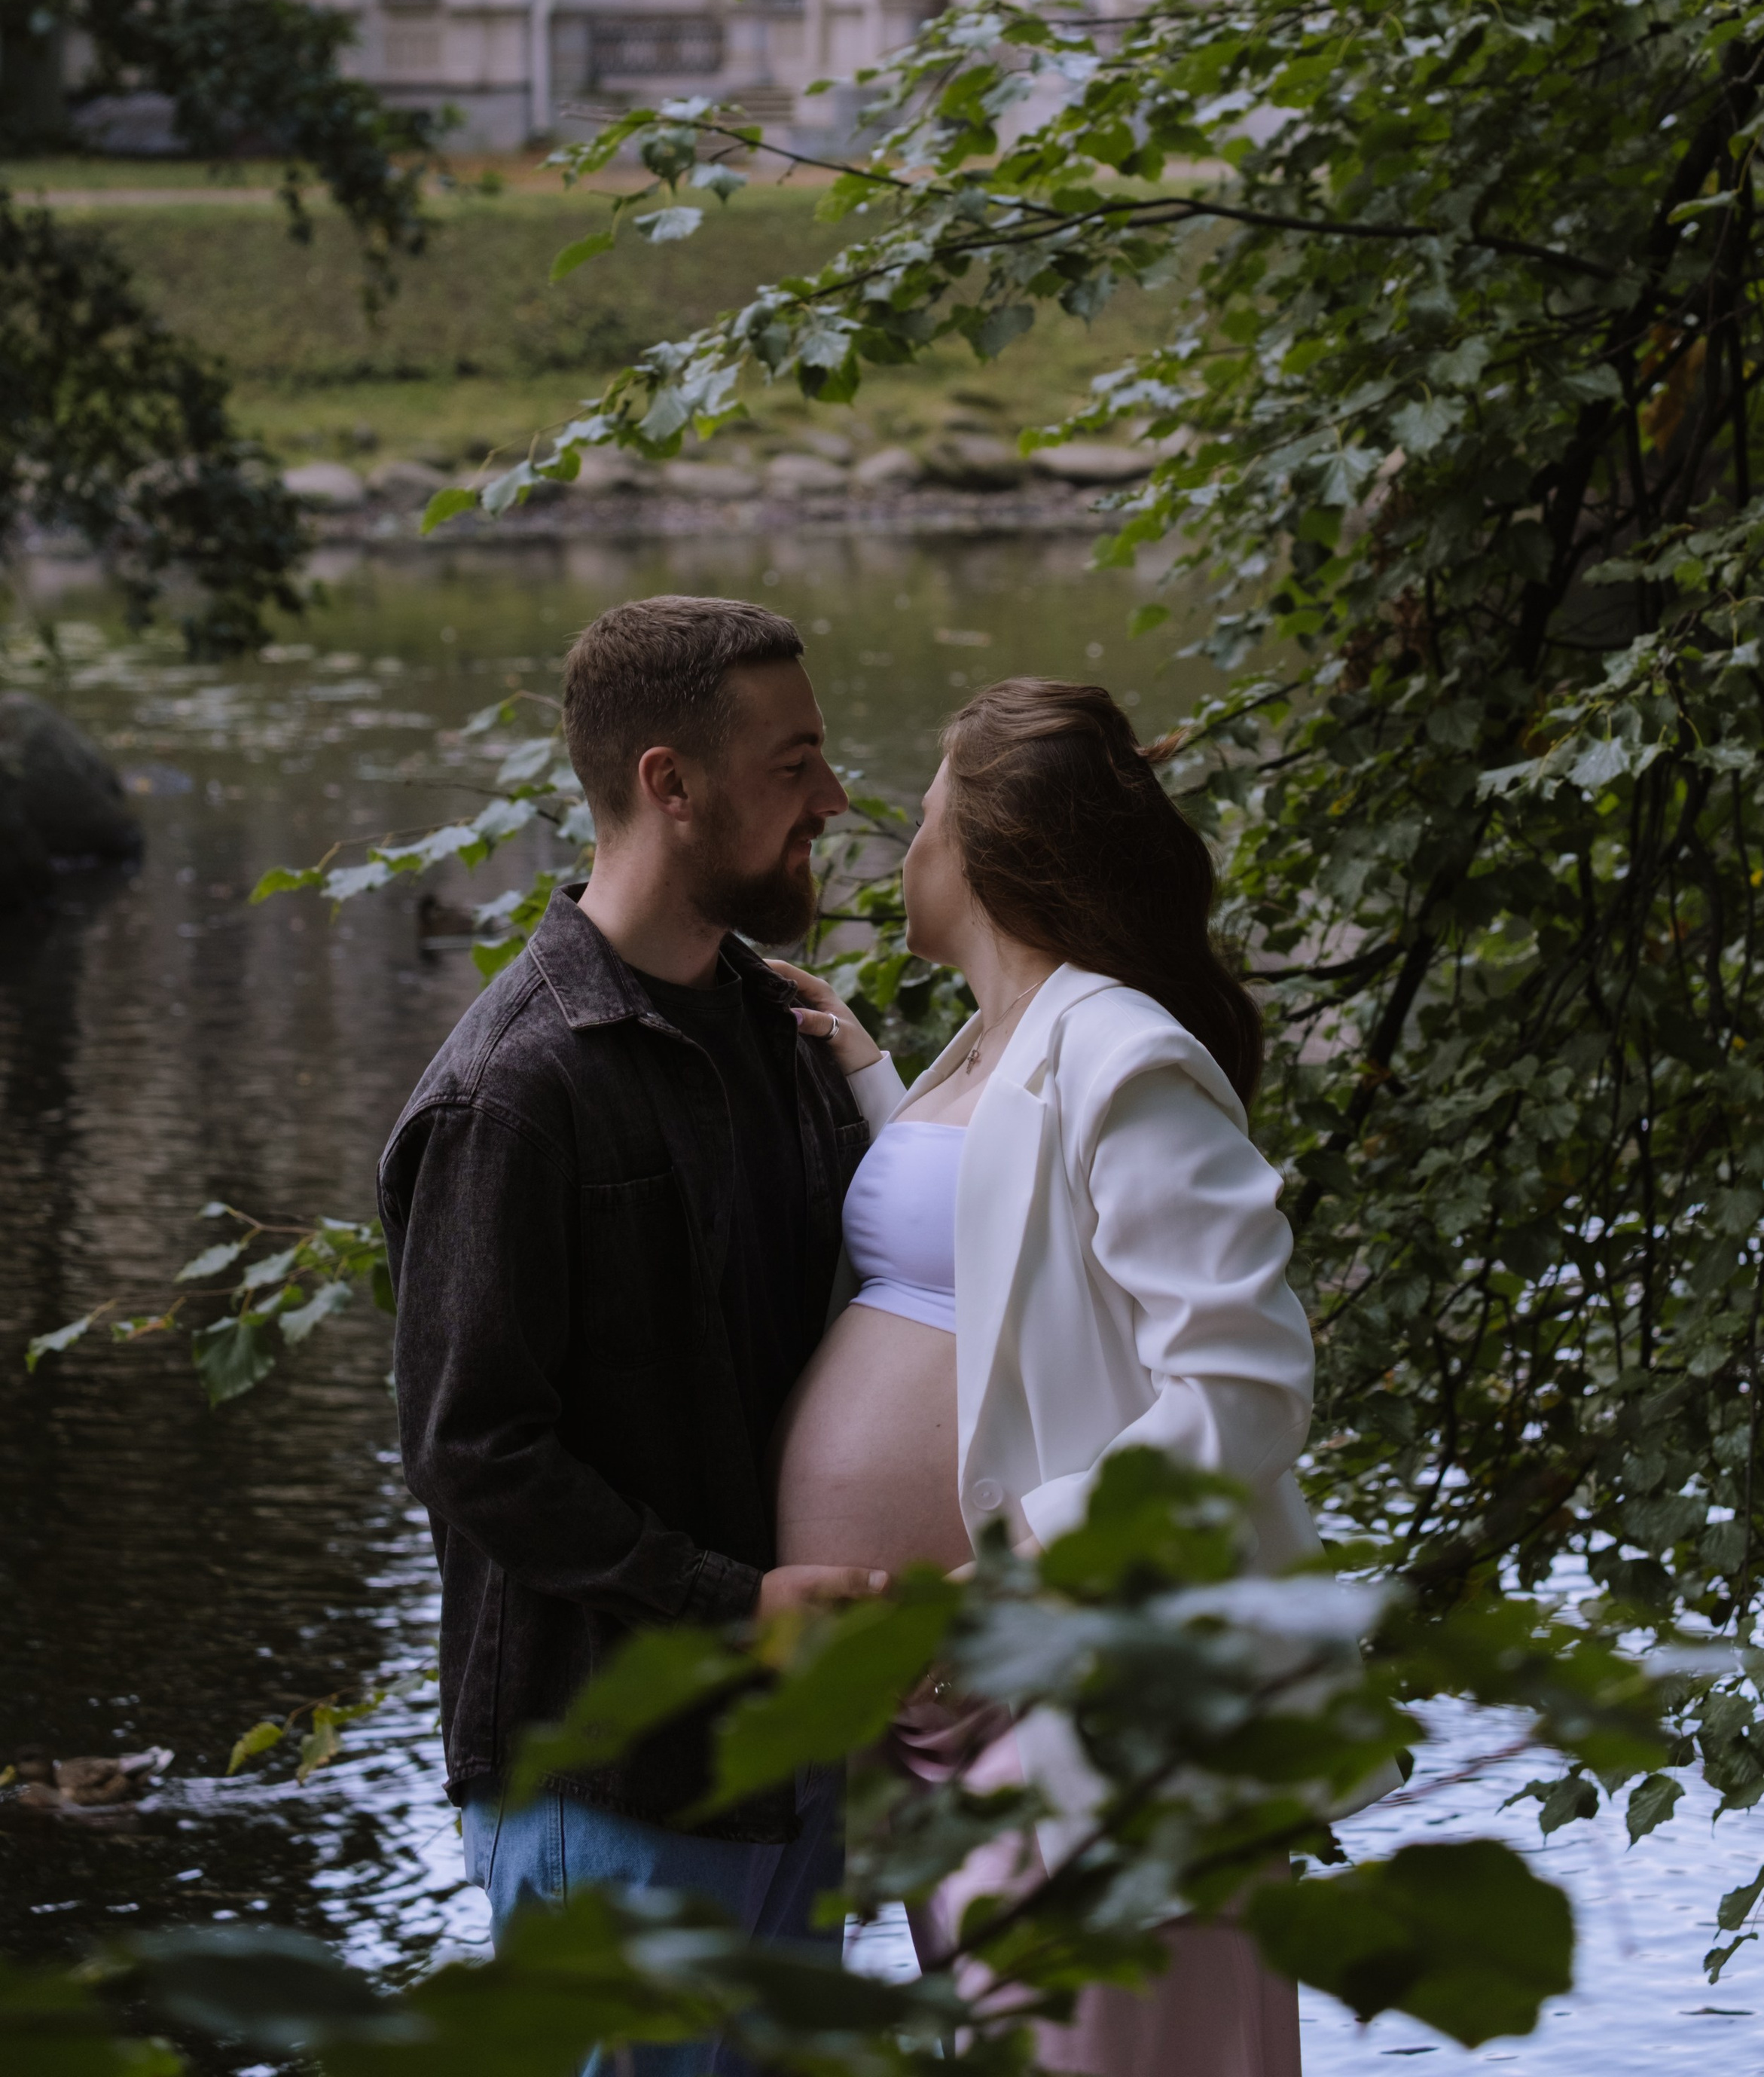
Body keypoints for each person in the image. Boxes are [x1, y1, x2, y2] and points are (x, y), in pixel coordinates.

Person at [378, 596, 900, 2077]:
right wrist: (738, 1601)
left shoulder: (773, 1029)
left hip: (790, 1761)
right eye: (795, 763)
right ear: (670, 783)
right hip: (612, 1789)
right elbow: (474, 1452)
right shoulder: (513, 1091)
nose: (834, 800)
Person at [769, 678, 1317, 2077]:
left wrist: (1012, 1569)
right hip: (945, 1705)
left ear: (991, 842)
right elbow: (999, 1243)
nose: (902, 844)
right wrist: (868, 1076)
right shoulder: (990, 1041)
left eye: (930, 808)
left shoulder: (1126, 1051)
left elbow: (1245, 1382)